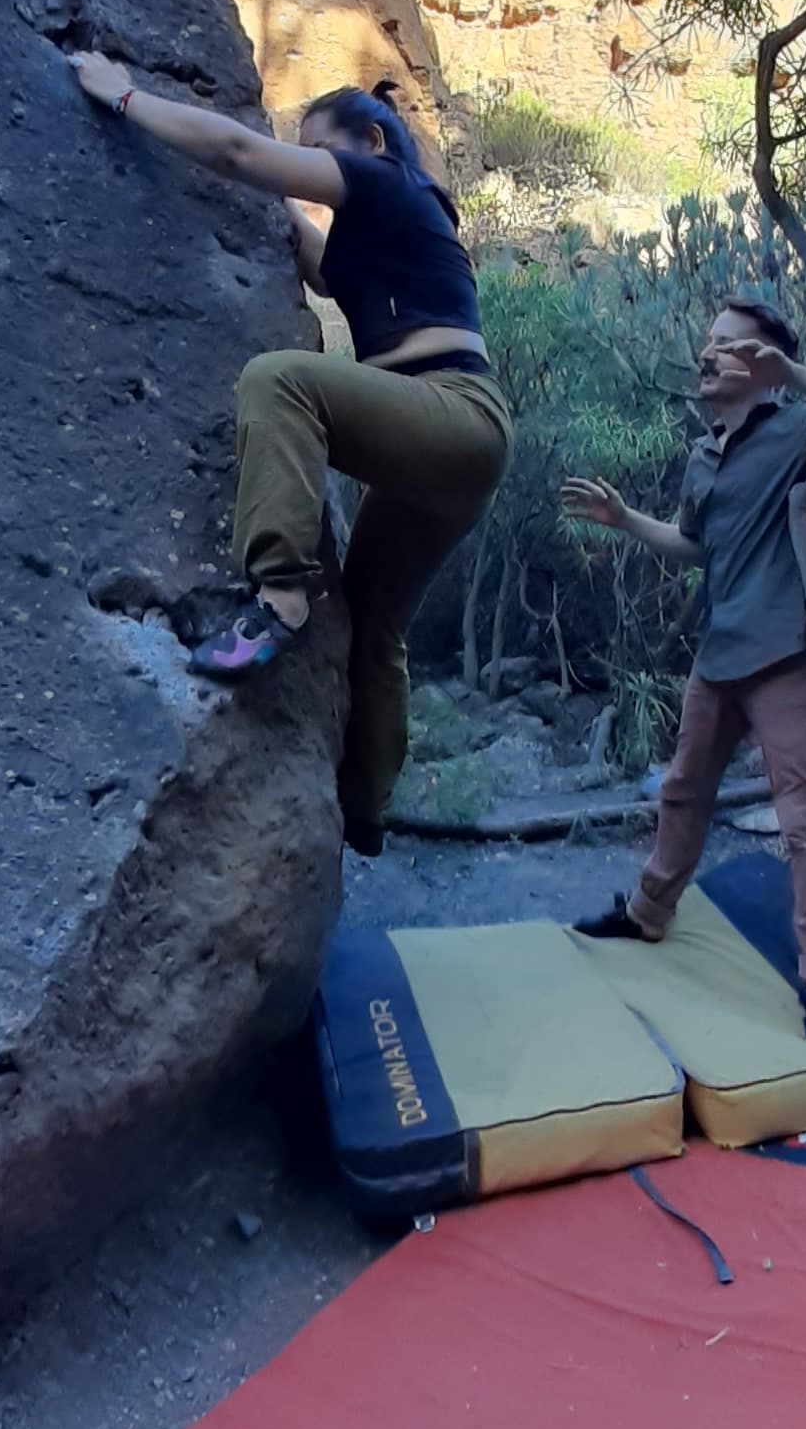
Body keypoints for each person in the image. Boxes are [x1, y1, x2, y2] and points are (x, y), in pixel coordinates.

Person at [65, 47, 512, 858]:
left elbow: (242, 155)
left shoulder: (389, 183)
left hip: (450, 412)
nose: (312, 165)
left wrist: (125, 96)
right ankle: (366, 807)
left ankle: (280, 600)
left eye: (321, 148)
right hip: (445, 453)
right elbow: (301, 240)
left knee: (281, 383)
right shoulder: (383, 230)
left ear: (369, 146)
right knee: (376, 628)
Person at [560, 294, 806, 1042]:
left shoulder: (804, 427)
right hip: (718, 654)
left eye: (727, 345)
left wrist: (797, 374)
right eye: (707, 342)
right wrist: (625, 521)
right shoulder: (703, 453)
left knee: (803, 819)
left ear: (761, 363)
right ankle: (649, 915)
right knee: (682, 791)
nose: (708, 355)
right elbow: (694, 545)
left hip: (783, 655)